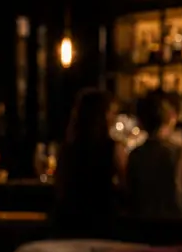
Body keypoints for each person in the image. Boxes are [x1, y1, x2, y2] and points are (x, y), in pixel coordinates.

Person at [54, 88, 128, 237]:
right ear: (102, 115)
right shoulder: (113, 148)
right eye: (111, 112)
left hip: (70, 219)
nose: (113, 117)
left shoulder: (67, 148)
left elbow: (60, 184)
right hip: (103, 218)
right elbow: (126, 183)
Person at [126, 91, 182, 218]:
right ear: (169, 118)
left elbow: (131, 194)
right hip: (171, 223)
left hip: (139, 225)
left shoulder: (135, 155)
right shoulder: (178, 152)